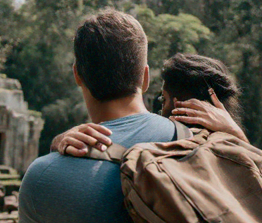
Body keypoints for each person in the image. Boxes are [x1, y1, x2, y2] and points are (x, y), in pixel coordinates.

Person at [12, 9, 178, 223]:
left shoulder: (46, 177)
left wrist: (54, 162)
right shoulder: (196, 137)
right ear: (145, 76)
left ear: (77, 74)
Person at [53, 52, 248, 157]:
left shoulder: (162, 151)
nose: (161, 110)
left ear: (179, 105)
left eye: (163, 100)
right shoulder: (237, 156)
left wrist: (58, 143)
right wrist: (236, 134)